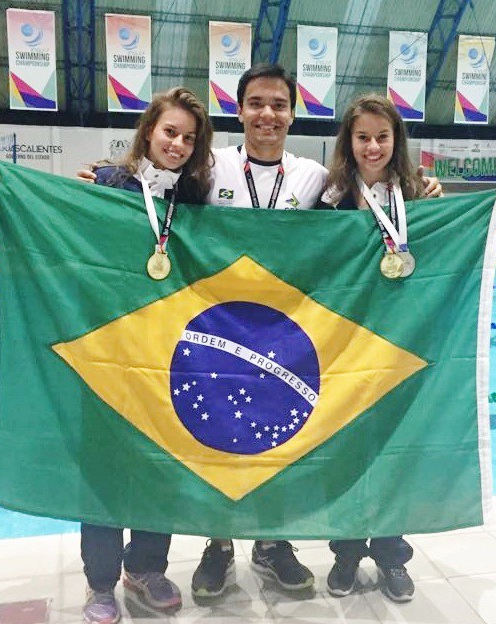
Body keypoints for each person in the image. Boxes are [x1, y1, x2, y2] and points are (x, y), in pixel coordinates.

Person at [190, 64, 445, 600]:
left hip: (286, 342)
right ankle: (218, 548)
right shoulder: (209, 169)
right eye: (256, 103)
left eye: (278, 104)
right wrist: (105, 179)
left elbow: (364, 224)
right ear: (239, 110)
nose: (267, 113)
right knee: (218, 441)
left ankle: (273, 544)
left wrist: (456, 205)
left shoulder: (314, 180)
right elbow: (153, 189)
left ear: (292, 113)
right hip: (220, 333)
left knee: (282, 440)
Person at [0, 86, 214, 624]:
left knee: (161, 466)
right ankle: (101, 582)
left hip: (168, 361)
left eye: (188, 138)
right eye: (169, 132)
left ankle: (147, 567)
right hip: (106, 356)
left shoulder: (197, 199)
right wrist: (4, 186)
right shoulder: (107, 183)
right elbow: (57, 233)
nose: (176, 145)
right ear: (148, 131)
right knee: (104, 473)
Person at [317, 93, 496, 603]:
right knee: (345, 452)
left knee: (393, 452)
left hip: (402, 342)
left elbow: (447, 246)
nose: (373, 146)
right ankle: (344, 555)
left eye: (383, 136)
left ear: (396, 140)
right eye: (363, 137)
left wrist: (489, 213)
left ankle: (391, 558)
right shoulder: (332, 196)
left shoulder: (418, 192)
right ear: (349, 141)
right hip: (343, 345)